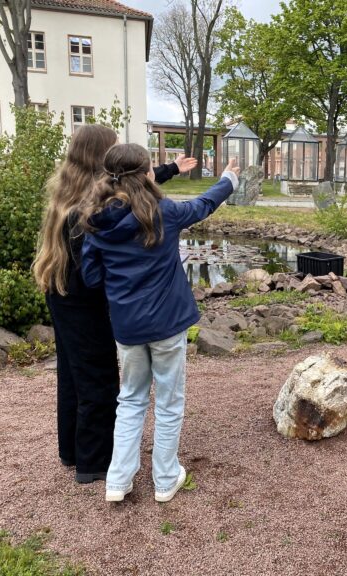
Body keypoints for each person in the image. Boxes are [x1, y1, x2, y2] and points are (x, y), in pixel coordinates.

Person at [32, 125, 197, 485]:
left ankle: (73, 450)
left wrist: (169, 169)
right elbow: (133, 210)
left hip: (61, 294)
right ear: (100, 157)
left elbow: (132, 197)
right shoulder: (88, 209)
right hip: (83, 301)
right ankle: (94, 462)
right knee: (97, 378)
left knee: (73, 375)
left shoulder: (72, 193)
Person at [79, 143, 239, 503]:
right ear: (147, 174)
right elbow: (203, 205)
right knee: (169, 401)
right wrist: (229, 178)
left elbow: (91, 277)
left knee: (131, 398)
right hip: (168, 324)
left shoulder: (95, 220)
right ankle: (166, 480)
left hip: (127, 327)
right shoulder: (162, 212)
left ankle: (118, 480)